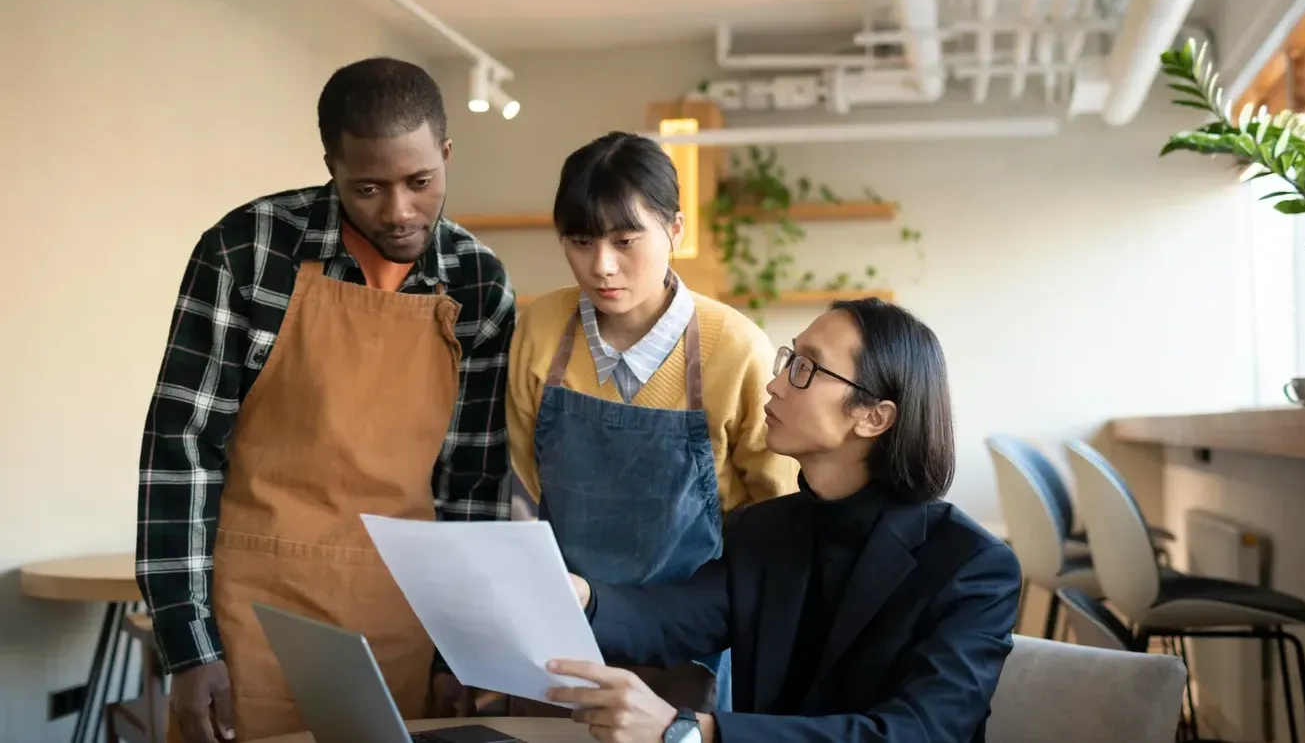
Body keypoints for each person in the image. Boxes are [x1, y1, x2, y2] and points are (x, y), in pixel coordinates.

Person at [135, 58, 514, 743]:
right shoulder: (247, 251)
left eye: (420, 182)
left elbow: (472, 485)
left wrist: (464, 647)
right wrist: (189, 649)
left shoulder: (478, 283)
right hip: (255, 611)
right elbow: (181, 451)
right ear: (331, 165)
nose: (399, 211)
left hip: (401, 615)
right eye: (368, 187)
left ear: (447, 154)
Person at [545, 299, 1023, 743]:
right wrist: (577, 596)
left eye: (806, 369)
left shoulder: (972, 566)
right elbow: (673, 618)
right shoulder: (764, 530)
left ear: (874, 417)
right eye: (789, 358)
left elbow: (918, 732)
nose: (774, 384)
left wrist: (690, 732)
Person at [504, 131, 800, 714]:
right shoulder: (541, 329)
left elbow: (777, 513)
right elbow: (522, 485)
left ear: (676, 230)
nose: (602, 266)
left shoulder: (734, 347)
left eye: (625, 240)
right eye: (581, 241)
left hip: (693, 643)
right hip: (563, 634)